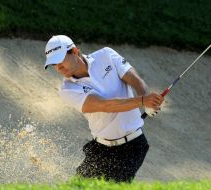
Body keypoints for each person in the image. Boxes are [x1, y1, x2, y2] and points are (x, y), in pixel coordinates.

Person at [44, 35, 164, 182]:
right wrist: (142, 101)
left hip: (131, 148)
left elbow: (136, 81)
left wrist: (147, 101)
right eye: (53, 64)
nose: (58, 68)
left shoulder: (106, 55)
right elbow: (105, 105)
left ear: (75, 51)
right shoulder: (67, 90)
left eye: (60, 60)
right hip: (100, 149)